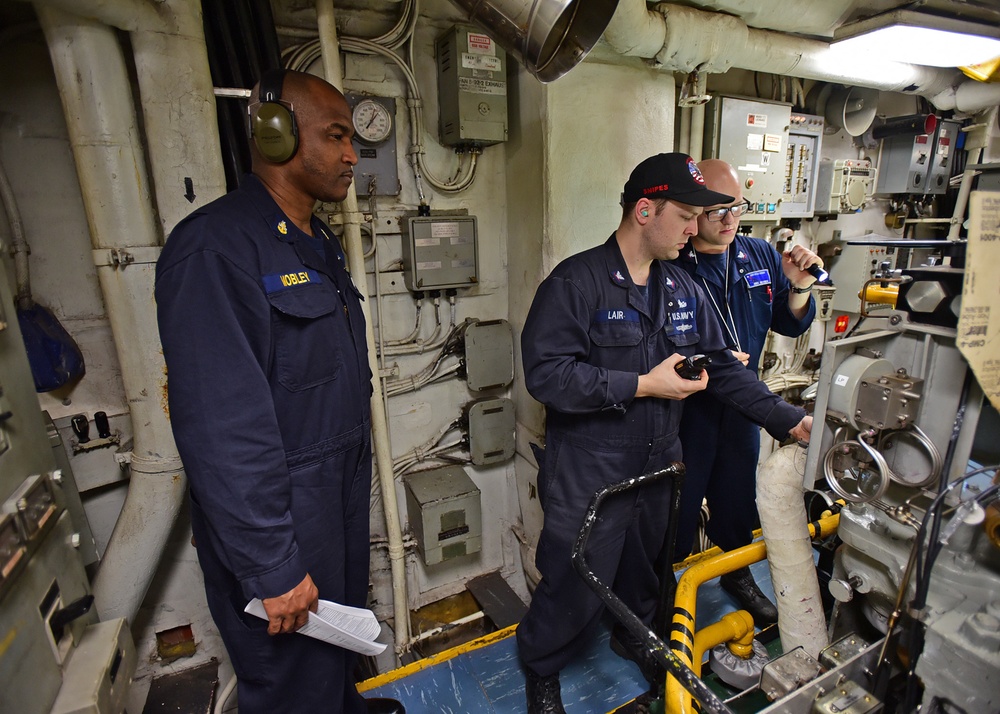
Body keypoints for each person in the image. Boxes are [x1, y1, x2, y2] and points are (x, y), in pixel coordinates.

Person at [517, 153, 812, 713]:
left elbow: (724, 368)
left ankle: (638, 639)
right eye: (684, 215)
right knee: (574, 580)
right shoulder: (576, 282)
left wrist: (787, 418)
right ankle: (541, 666)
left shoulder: (681, 286)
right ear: (645, 210)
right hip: (592, 467)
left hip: (660, 463)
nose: (693, 228)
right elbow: (547, 376)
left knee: (648, 571)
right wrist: (641, 385)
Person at [156, 70, 403, 714]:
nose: (353, 154)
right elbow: (223, 427)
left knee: (336, 656)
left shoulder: (316, 241)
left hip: (335, 492)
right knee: (294, 682)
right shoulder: (215, 247)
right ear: (276, 134)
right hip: (284, 506)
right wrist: (272, 565)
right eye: (337, 135)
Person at [671, 158, 822, 625]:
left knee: (738, 501)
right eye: (717, 211)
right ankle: (659, 595)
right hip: (686, 410)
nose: (729, 220)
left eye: (737, 208)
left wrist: (798, 289)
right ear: (692, 211)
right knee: (674, 508)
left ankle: (737, 576)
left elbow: (786, 321)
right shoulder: (671, 262)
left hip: (743, 407)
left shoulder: (756, 254)